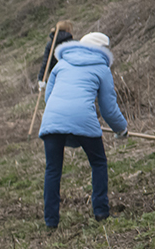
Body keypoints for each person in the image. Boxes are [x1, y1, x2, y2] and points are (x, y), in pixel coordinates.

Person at [38, 32, 128, 227]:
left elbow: (49, 98)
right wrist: (121, 129)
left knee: (53, 170)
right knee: (98, 162)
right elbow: (108, 109)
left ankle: (51, 221)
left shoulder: (60, 64)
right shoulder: (102, 69)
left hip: (52, 118)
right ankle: (101, 212)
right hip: (82, 119)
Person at [34, 20, 78, 88]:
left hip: (56, 78)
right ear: (68, 30)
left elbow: (45, 63)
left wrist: (41, 78)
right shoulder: (73, 44)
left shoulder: (50, 45)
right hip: (72, 76)